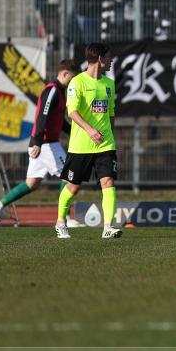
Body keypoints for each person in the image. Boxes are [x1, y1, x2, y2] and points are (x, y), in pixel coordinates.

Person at [0, 60, 79, 226]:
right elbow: (42, 116)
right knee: (70, 174)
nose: (74, 82)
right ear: (65, 74)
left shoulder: (60, 92)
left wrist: (75, 132)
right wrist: (37, 141)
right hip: (45, 144)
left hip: (44, 144)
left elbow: (60, 121)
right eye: (73, 78)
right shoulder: (52, 90)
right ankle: (64, 218)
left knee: (31, 183)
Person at [54, 43, 121, 239]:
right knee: (73, 186)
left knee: (108, 181)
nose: (111, 61)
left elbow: (110, 114)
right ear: (100, 59)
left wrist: (111, 136)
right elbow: (72, 112)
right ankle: (60, 222)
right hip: (81, 145)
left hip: (105, 144)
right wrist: (90, 130)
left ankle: (108, 227)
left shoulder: (109, 83)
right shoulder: (78, 82)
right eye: (108, 58)